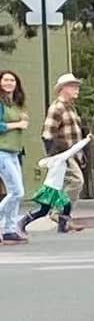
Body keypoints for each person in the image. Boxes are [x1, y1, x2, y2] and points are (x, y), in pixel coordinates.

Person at [18, 131, 92, 237]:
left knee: (48, 209)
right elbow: (74, 149)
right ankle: (24, 222)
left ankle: (61, 225)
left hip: (50, 187)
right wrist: (87, 139)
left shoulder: (52, 159)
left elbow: (41, 163)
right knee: (65, 206)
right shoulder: (61, 158)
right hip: (52, 189)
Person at [39, 74, 85, 232]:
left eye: (77, 86)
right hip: (62, 153)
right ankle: (58, 212)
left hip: (72, 152)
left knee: (67, 184)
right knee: (76, 181)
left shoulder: (71, 108)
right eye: (73, 86)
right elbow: (47, 134)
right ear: (63, 89)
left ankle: (64, 221)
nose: (76, 89)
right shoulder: (57, 108)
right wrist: (55, 157)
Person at [0, 70, 27, 244]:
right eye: (5, 80)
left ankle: (9, 229)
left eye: (12, 80)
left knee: (15, 191)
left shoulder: (16, 104)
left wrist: (22, 120)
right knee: (16, 191)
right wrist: (18, 124)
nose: (9, 83)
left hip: (14, 151)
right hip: (2, 151)